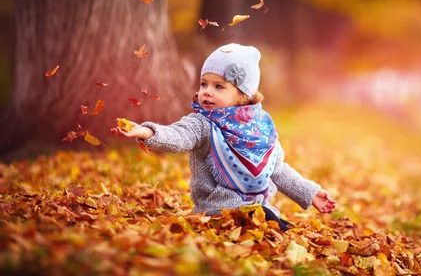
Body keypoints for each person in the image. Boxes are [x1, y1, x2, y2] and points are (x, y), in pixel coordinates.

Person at [111, 43, 336, 231]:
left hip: (258, 212)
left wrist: (311, 192)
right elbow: (178, 136)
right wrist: (146, 132)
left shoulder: (261, 127)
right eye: (204, 84)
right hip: (218, 212)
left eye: (219, 86)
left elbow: (277, 169)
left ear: (242, 96)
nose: (207, 91)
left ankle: (273, 224)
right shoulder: (202, 123)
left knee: (273, 227)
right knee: (268, 225)